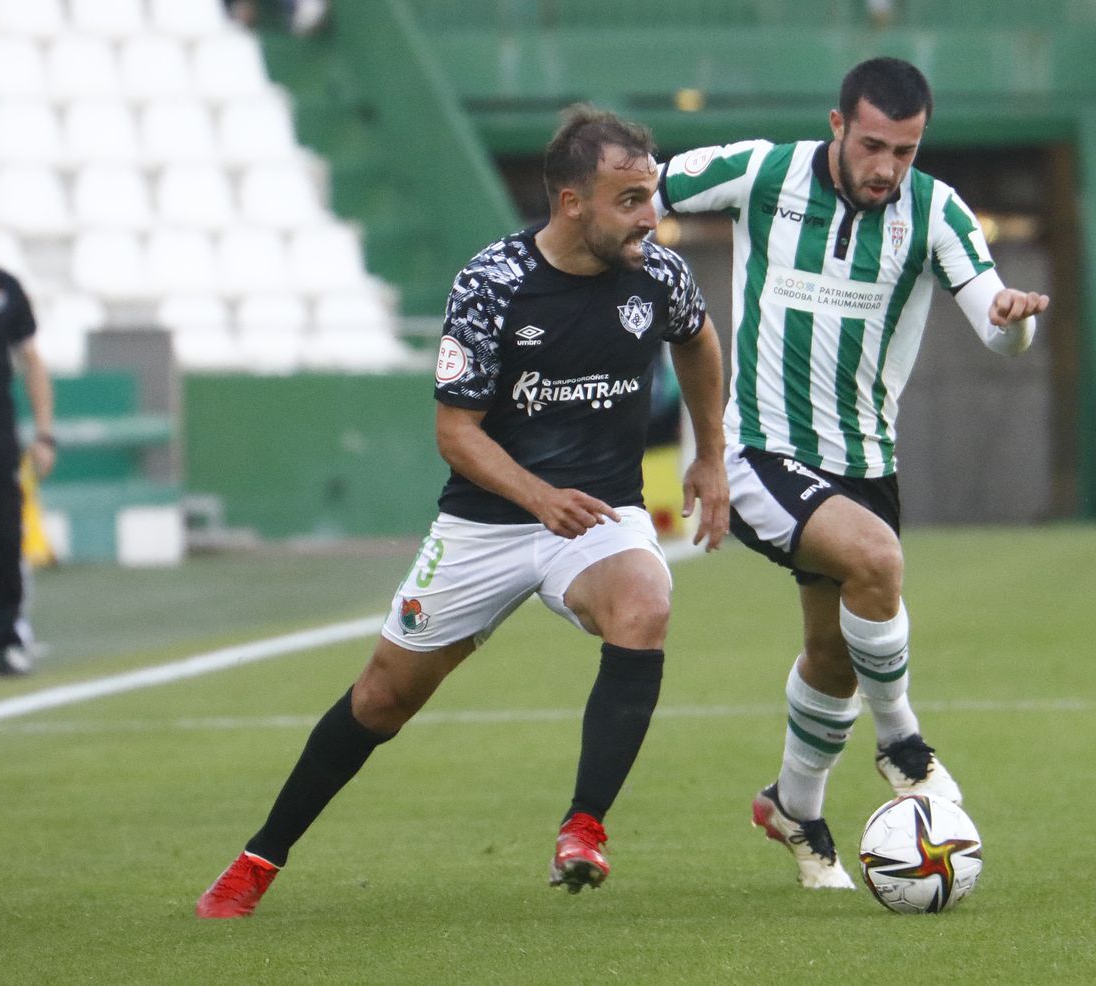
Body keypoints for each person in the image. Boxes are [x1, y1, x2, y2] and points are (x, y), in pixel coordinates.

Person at [195, 105, 729, 918]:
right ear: (571, 202)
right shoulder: (494, 283)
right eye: (628, 200)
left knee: (645, 602)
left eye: (649, 196)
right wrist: (538, 496)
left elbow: (698, 340)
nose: (648, 217)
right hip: (487, 522)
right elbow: (456, 433)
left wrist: (710, 455)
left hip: (597, 517)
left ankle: (584, 828)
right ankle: (257, 861)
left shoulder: (657, 273)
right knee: (381, 699)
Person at [656, 57, 1048, 889]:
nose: (887, 168)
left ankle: (793, 807)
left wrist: (1015, 321)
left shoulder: (935, 210)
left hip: (866, 466)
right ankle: (903, 744)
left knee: (833, 657)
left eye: (905, 151)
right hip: (762, 451)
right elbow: (642, 192)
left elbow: (996, 324)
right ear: (837, 125)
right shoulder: (763, 173)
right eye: (873, 145)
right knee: (876, 561)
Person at [0, 259, 54, 679]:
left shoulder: (4, 287)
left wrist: (45, 434)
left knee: (4, 538)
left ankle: (9, 638)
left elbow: (31, 358)